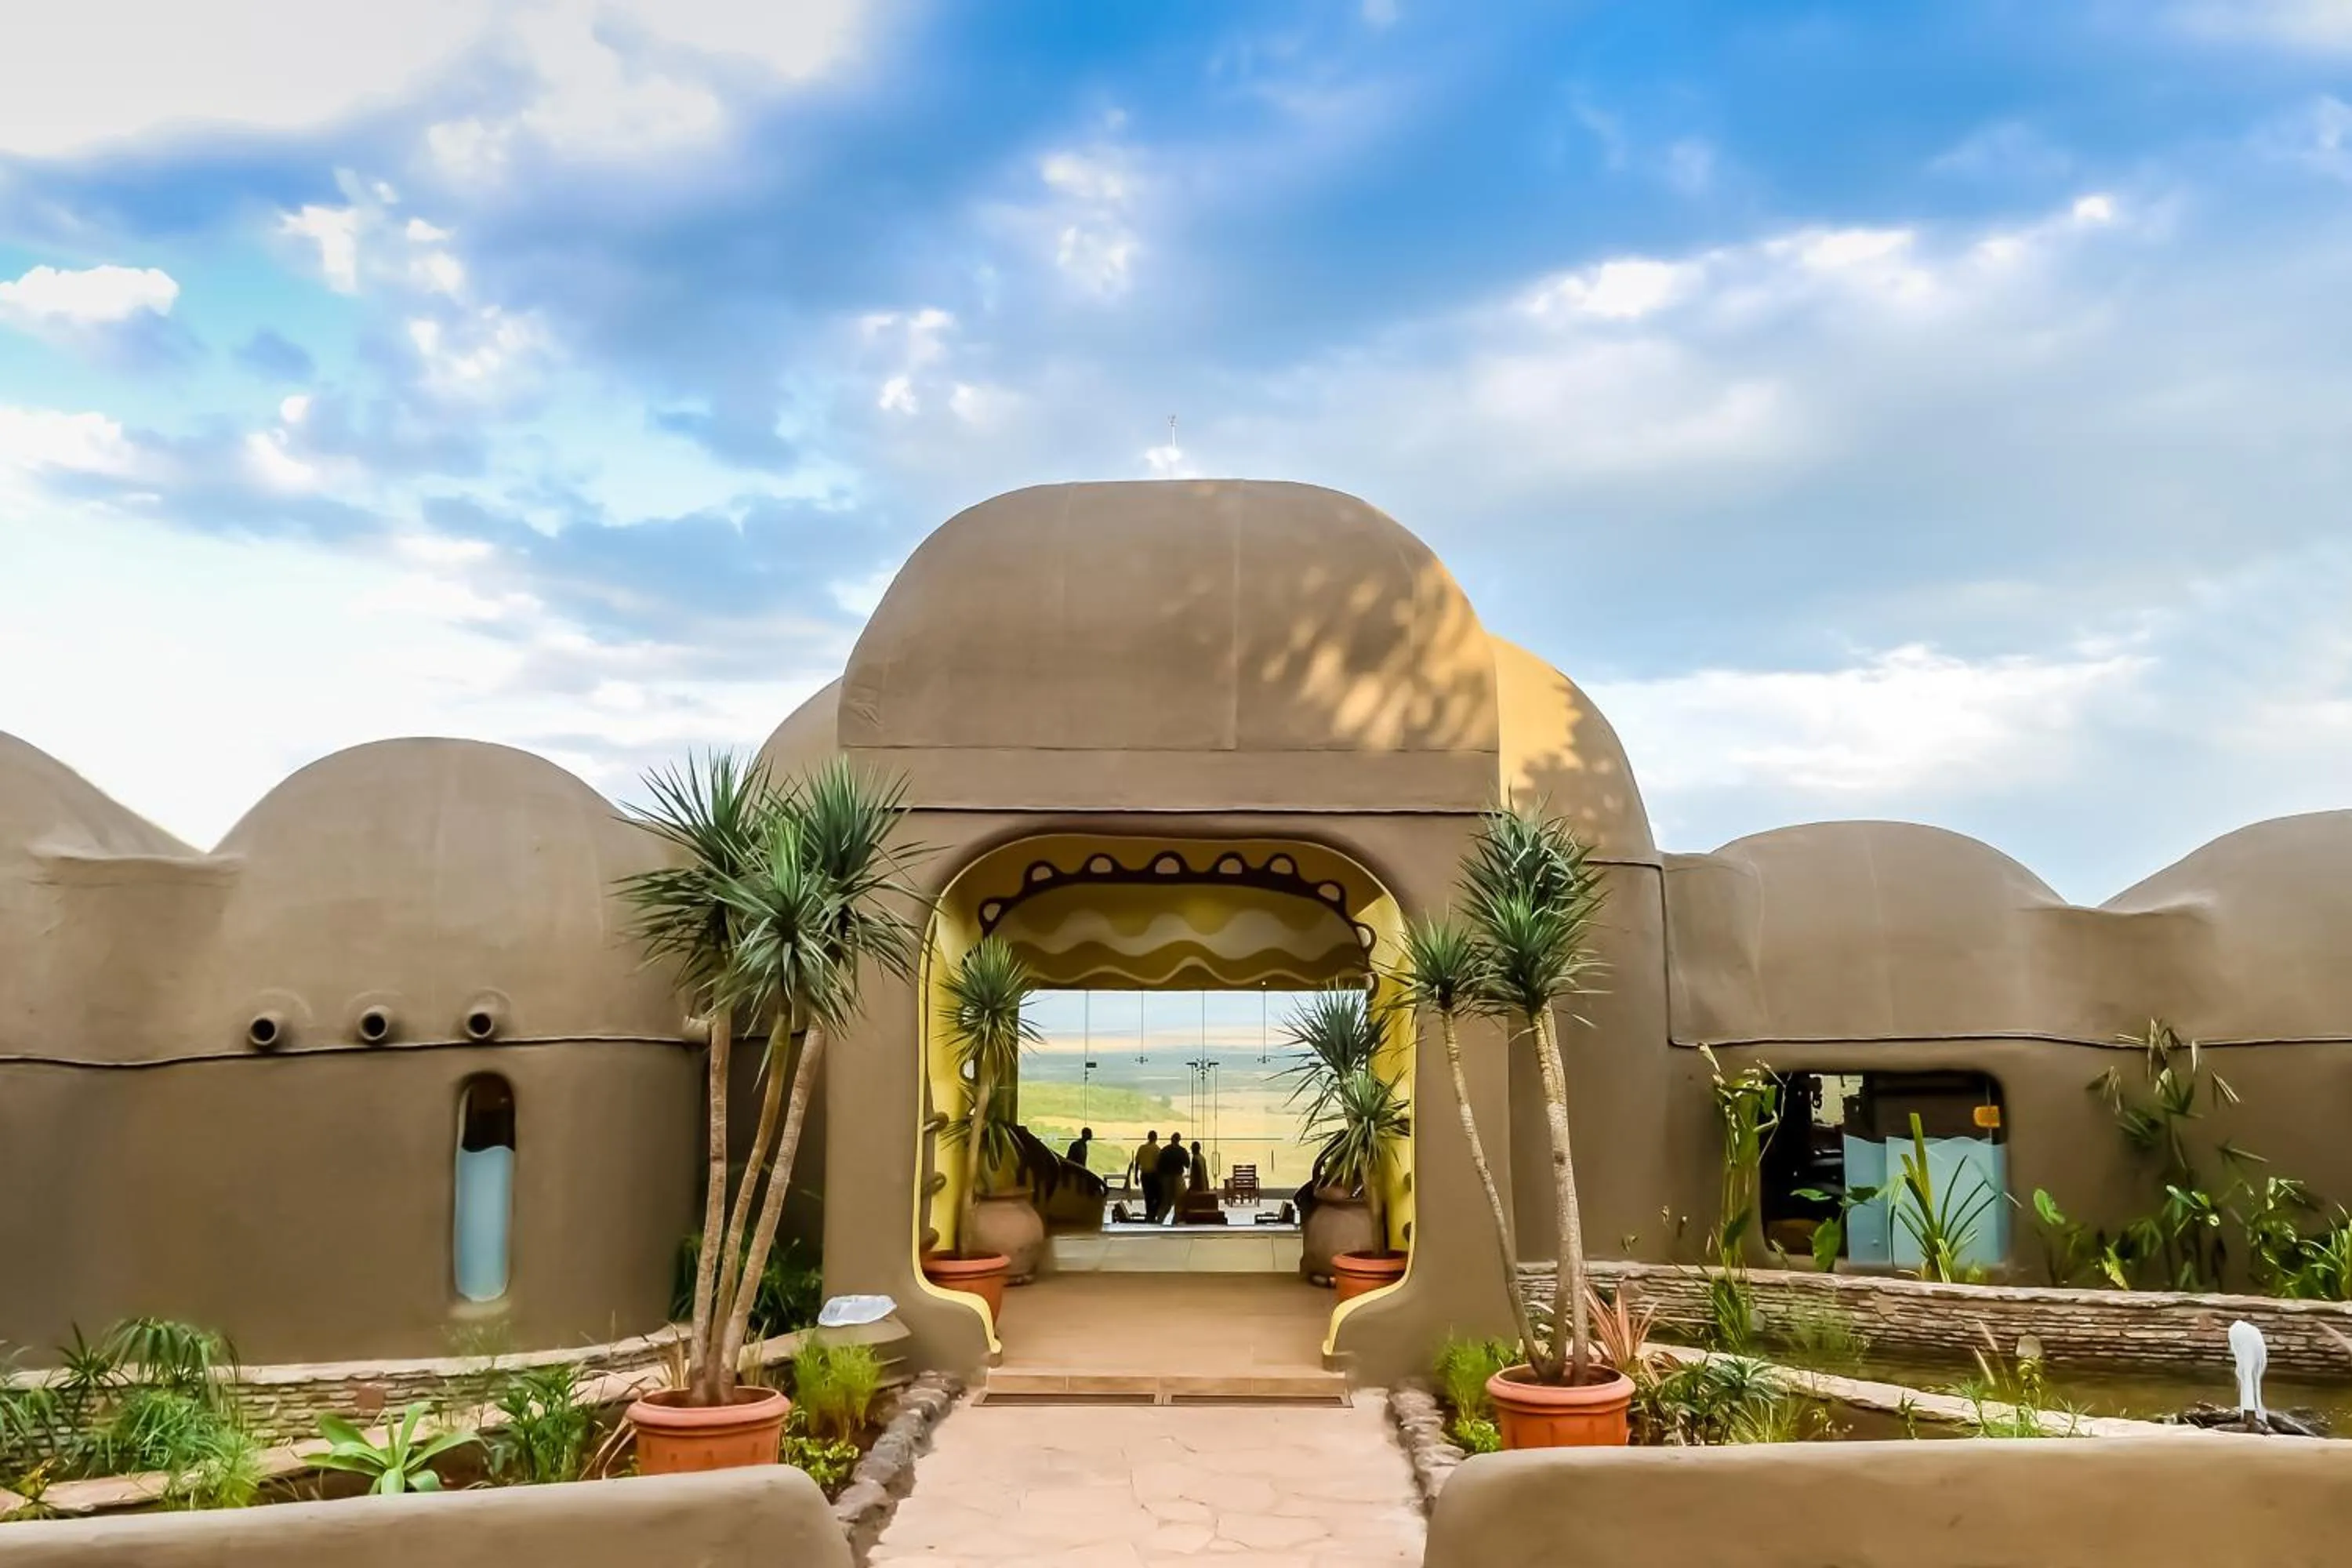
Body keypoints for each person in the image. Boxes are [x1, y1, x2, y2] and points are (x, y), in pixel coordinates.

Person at [1156, 1134, 1192, 1225]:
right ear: (1179, 1140)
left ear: (1171, 1139)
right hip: (1178, 1177)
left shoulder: (1165, 1150)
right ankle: (1175, 1222)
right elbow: (1187, 1164)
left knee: (1166, 1201)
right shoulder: (1182, 1151)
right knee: (1179, 1201)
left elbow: (1159, 1165)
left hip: (1166, 1178)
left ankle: (1159, 1221)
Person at [1133, 1131, 1163, 1222]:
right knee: (1158, 1197)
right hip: (1154, 1175)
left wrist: (1135, 1176)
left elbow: (1137, 1163)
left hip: (1144, 1175)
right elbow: (1159, 1164)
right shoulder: (1157, 1149)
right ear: (1156, 1138)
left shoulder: (1141, 1148)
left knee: (1148, 1197)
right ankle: (1153, 1214)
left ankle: (1149, 1215)